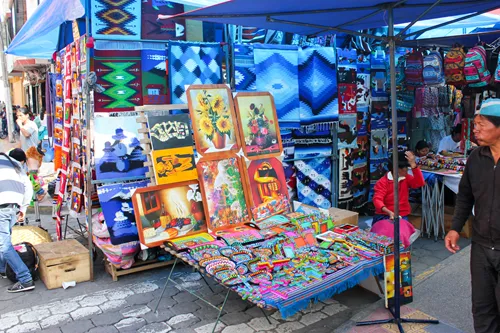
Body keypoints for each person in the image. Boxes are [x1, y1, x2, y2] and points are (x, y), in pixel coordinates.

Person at [445, 98, 500, 333]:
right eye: (475, 124)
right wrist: (455, 227)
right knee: (482, 308)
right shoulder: (476, 158)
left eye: (481, 124)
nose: (475, 129)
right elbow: (465, 196)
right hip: (481, 247)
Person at [0, 148, 35, 292]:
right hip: (13, 207)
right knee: (4, 240)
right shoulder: (14, 165)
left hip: (2, 207)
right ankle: (3, 269)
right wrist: (23, 209)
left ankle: (25, 279)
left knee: (4, 245)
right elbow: (28, 188)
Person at [372, 150, 425, 224]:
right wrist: (389, 212)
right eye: (404, 169)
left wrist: (414, 165)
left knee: (402, 232)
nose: (406, 170)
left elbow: (419, 183)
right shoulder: (382, 182)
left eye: (407, 168)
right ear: (396, 169)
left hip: (402, 215)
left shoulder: (406, 178)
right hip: (384, 215)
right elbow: (377, 200)